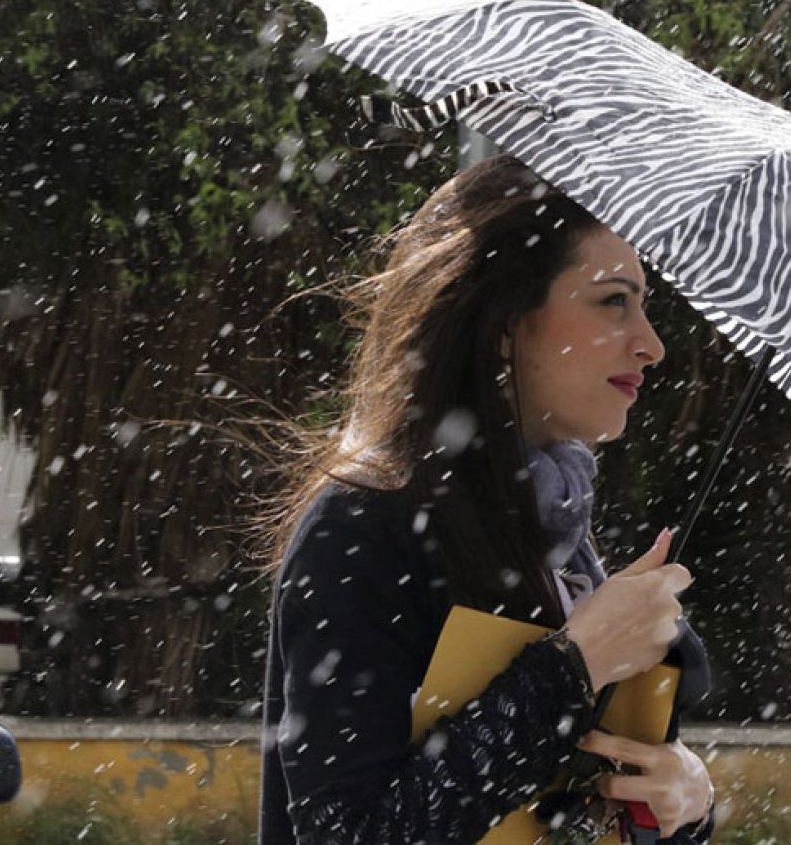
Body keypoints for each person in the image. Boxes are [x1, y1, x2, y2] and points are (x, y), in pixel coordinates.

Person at [258, 154, 715, 844]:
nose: (650, 344)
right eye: (613, 300)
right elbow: (352, 833)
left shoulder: (557, 535)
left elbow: (566, 810)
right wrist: (573, 666)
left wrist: (682, 801)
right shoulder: (365, 524)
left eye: (643, 306)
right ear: (507, 321)